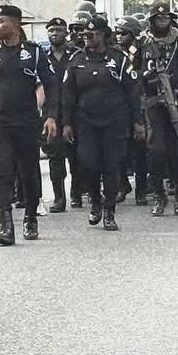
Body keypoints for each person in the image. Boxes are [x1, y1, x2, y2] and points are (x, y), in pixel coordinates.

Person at [0, 4, 58, 246]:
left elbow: (51, 85)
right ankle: (6, 225)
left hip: (26, 121)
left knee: (28, 173)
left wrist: (51, 116)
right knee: (0, 171)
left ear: (16, 25)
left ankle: (30, 216)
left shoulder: (34, 52)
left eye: (1, 22)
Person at [54, 16, 143, 231]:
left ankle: (109, 210)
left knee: (110, 166)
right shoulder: (76, 59)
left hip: (114, 121)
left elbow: (133, 92)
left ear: (103, 35)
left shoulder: (120, 59)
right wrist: (66, 123)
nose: (87, 38)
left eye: (91, 35)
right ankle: (95, 201)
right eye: (84, 35)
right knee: (88, 163)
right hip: (86, 121)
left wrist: (137, 122)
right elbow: (68, 94)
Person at [139, 0, 178, 216]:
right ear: (152, 19)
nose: (162, 20)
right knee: (155, 151)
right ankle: (159, 196)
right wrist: (146, 78)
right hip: (152, 102)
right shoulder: (142, 42)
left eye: (165, 17)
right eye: (158, 17)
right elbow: (133, 71)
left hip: (177, 102)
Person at [44, 17, 83, 211]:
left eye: (59, 30)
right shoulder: (42, 56)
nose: (55, 33)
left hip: (75, 113)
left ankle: (76, 192)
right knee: (55, 156)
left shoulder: (77, 55)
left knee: (77, 157)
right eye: (51, 30)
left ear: (66, 33)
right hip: (51, 114)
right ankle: (59, 197)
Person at [113, 15, 149, 206]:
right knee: (119, 150)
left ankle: (141, 190)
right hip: (119, 105)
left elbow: (146, 73)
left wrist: (139, 75)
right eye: (117, 33)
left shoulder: (142, 51)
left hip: (140, 101)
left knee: (140, 151)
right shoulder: (114, 53)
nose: (119, 36)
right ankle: (122, 185)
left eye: (123, 33)